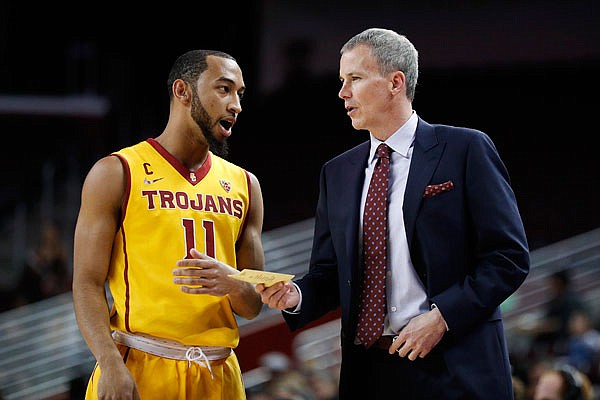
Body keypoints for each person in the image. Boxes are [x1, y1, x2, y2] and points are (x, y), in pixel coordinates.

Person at [256, 28, 530, 399]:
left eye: (355, 78)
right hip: (370, 374)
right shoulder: (336, 173)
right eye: (341, 81)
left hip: (454, 365)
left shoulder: (465, 149)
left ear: (395, 83)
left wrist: (442, 318)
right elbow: (331, 272)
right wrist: (296, 295)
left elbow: (507, 257)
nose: (342, 93)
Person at [72, 49, 265, 399]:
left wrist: (233, 283)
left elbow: (252, 306)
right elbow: (86, 283)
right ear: (182, 91)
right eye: (224, 89)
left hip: (219, 374)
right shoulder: (117, 172)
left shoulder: (246, 185)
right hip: (140, 366)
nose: (236, 104)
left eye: (240, 93)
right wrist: (109, 362)